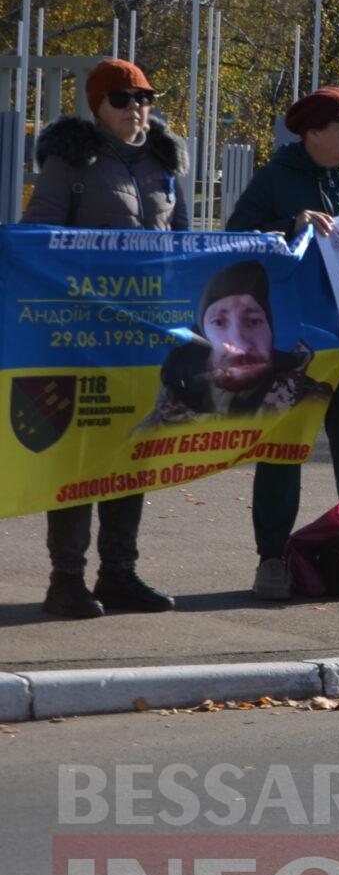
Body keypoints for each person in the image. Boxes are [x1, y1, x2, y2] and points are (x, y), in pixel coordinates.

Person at [223, 87, 339, 601]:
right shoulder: (276, 180)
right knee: (280, 454)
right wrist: (287, 225)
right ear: (312, 133)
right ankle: (272, 559)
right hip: (291, 348)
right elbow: (237, 240)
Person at [29, 58, 187, 619]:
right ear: (97, 105)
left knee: (132, 451)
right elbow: (38, 238)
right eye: (121, 99)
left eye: (143, 97)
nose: (135, 108)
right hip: (81, 338)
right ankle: (65, 580)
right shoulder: (70, 160)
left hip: (145, 341)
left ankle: (118, 573)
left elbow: (186, 248)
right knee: (79, 457)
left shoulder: (163, 163)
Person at [136, 260, 334, 428]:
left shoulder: (308, 398)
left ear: (271, 330)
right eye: (219, 323)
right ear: (202, 336)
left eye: (253, 321)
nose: (240, 343)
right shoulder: (171, 409)